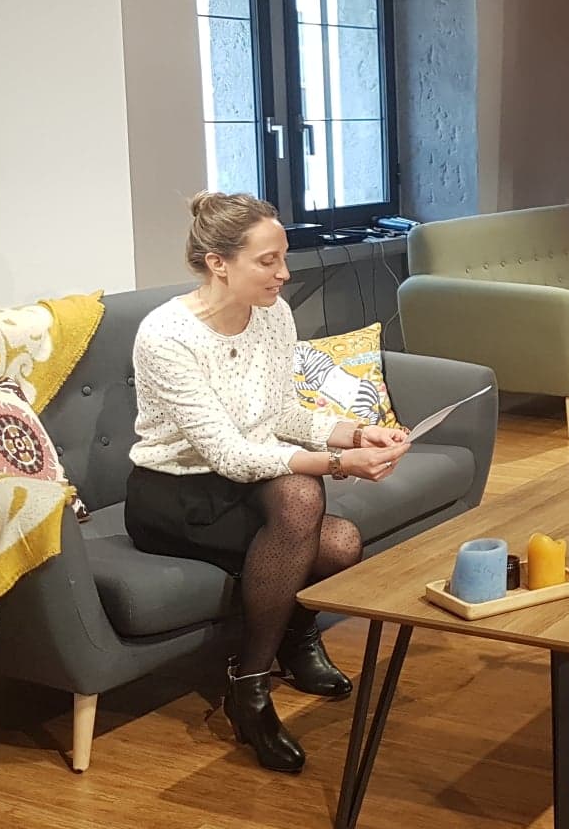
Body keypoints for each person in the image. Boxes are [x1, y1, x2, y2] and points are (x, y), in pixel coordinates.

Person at [127, 192, 410, 774]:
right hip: (174, 491)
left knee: (342, 542)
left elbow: (283, 414)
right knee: (303, 495)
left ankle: (295, 638)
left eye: (283, 257)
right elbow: (230, 454)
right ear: (218, 263)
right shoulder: (166, 336)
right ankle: (250, 688)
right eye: (268, 261)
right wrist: (338, 464)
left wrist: (359, 433)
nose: (283, 273)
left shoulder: (273, 313)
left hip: (246, 481)